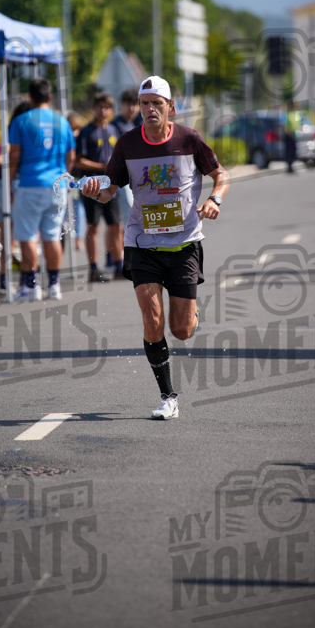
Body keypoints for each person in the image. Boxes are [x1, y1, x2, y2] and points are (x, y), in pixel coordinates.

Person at [81, 76, 230, 420]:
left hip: (183, 245)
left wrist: (214, 199)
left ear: (170, 108)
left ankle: (191, 315)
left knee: (181, 329)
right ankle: (168, 397)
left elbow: (221, 174)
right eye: (144, 103)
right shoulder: (128, 144)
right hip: (141, 243)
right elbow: (110, 189)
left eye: (156, 104)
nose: (149, 109)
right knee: (152, 321)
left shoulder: (188, 139)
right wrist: (95, 191)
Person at [8, 78, 75, 302]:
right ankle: (54, 285)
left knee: (28, 236)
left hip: (30, 183)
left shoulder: (20, 120)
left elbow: (14, 155)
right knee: (52, 234)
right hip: (57, 185)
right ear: (49, 97)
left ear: (30, 97)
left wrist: (8, 183)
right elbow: (71, 156)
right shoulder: (62, 121)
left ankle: (30, 286)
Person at [76, 93, 123, 282]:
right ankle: (93, 268)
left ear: (111, 110)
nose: (103, 111)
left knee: (115, 226)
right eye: (99, 107)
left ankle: (119, 265)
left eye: (107, 108)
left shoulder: (114, 130)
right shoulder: (86, 132)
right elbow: (79, 160)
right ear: (93, 108)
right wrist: (101, 167)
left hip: (111, 185)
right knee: (93, 226)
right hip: (92, 186)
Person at [0, 100, 31, 297]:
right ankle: (26, 281)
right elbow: (11, 153)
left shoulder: (10, 129)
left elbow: (5, 150)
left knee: (7, 239)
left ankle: (4, 282)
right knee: (25, 236)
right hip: (13, 186)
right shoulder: (25, 131)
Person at [111, 88, 140, 238]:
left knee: (126, 217)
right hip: (120, 177)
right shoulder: (115, 125)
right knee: (126, 215)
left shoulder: (135, 124)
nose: (132, 108)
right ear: (121, 105)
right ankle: (123, 252)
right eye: (128, 104)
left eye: (135, 104)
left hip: (132, 176)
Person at [67, 112, 87, 253]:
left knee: (75, 207)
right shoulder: (78, 136)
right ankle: (78, 237)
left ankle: (78, 237)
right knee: (77, 208)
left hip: (74, 178)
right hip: (75, 177)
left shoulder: (72, 136)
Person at [283, 100, 299, 174]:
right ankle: (289, 167)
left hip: (294, 136)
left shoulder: (294, 113)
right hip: (288, 136)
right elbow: (283, 124)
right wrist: (288, 132)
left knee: (294, 151)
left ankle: (291, 165)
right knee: (289, 152)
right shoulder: (287, 113)